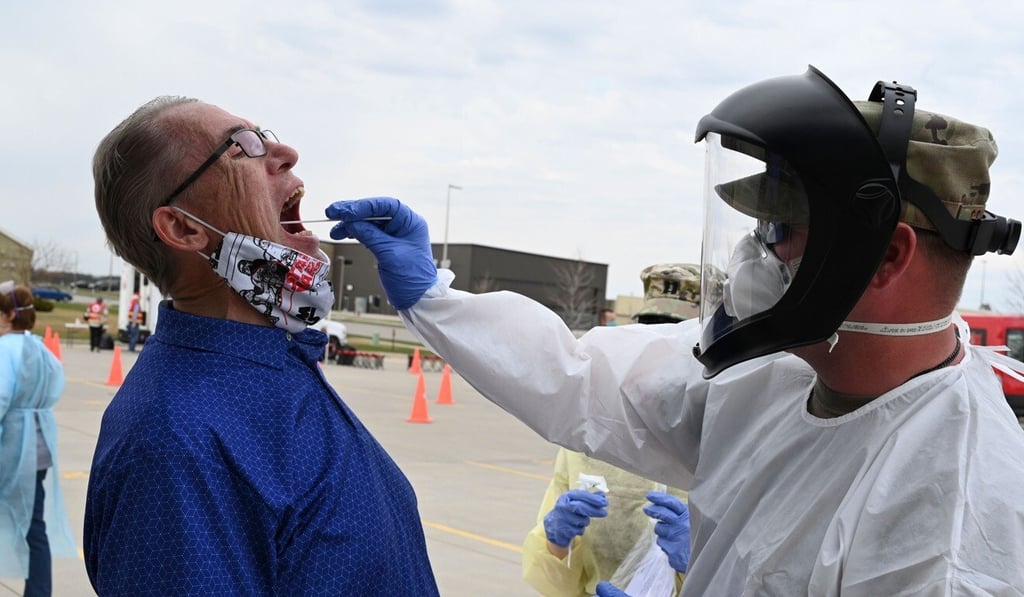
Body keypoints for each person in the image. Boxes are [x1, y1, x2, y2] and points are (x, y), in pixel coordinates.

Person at [327, 66, 1024, 594]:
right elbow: (585, 381)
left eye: (782, 230)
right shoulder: (774, 375)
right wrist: (436, 298)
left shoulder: (951, 517)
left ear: (886, 255)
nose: (757, 253)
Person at [85, 97, 438, 594]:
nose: (285, 152)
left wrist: (436, 301)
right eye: (243, 147)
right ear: (184, 228)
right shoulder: (174, 444)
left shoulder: (280, 362)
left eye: (266, 134)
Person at [523, 264, 698, 597]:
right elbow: (557, 583)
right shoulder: (590, 436)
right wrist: (557, 543)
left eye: (677, 333)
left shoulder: (725, 437)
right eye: (650, 331)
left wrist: (698, 563)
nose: (659, 347)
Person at [0, 282, 76, 596]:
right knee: (33, 526)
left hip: (11, 446)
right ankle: (39, 591)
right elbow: (55, 385)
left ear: (7, 316)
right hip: (38, 447)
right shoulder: (41, 349)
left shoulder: (5, 350)